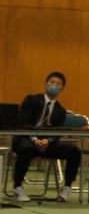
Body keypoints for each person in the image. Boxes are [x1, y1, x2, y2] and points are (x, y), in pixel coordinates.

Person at [12, 72, 82, 202]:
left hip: (47, 144)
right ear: (46, 84)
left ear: (62, 89)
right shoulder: (31, 100)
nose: (54, 85)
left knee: (74, 151)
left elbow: (57, 132)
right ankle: (17, 186)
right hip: (27, 138)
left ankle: (67, 187)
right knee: (26, 149)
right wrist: (35, 140)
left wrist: (47, 141)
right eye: (52, 82)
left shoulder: (61, 110)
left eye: (58, 84)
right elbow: (23, 123)